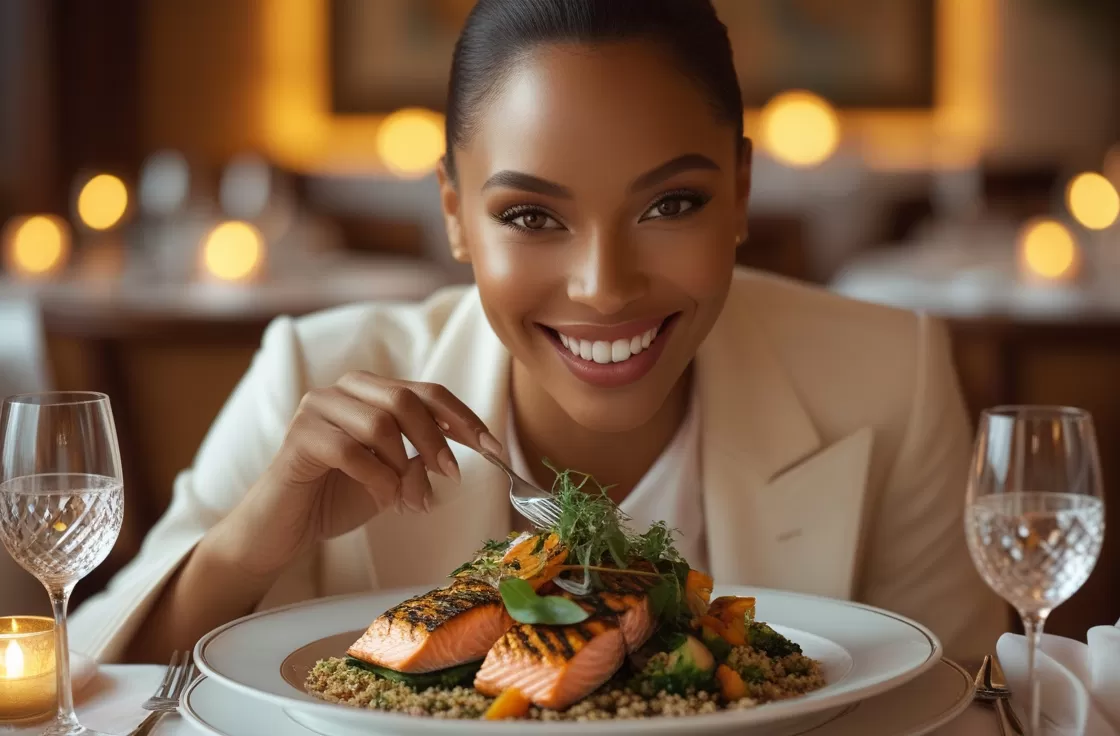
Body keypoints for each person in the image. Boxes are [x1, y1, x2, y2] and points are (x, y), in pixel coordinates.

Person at [71, 0, 1005, 666]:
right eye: (530, 216)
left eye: (671, 204)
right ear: (454, 213)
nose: (604, 288)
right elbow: (87, 686)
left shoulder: (893, 377)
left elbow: (968, 702)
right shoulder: (314, 372)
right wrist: (249, 547)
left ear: (741, 193)